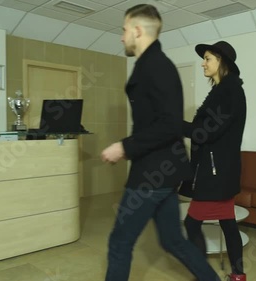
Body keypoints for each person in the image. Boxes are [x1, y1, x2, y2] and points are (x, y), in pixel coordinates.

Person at [100, 4, 220, 281]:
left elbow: (169, 124)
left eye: (124, 30)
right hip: (163, 171)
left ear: (138, 31)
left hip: (151, 174)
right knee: (172, 241)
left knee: (119, 243)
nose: (121, 37)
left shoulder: (157, 66)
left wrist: (123, 147)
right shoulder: (149, 64)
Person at [179, 41, 247, 281]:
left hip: (215, 175)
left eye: (208, 58)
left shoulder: (229, 91)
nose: (203, 63)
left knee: (192, 224)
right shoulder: (225, 90)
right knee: (228, 223)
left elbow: (206, 132)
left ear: (222, 62)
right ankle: (238, 275)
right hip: (221, 172)